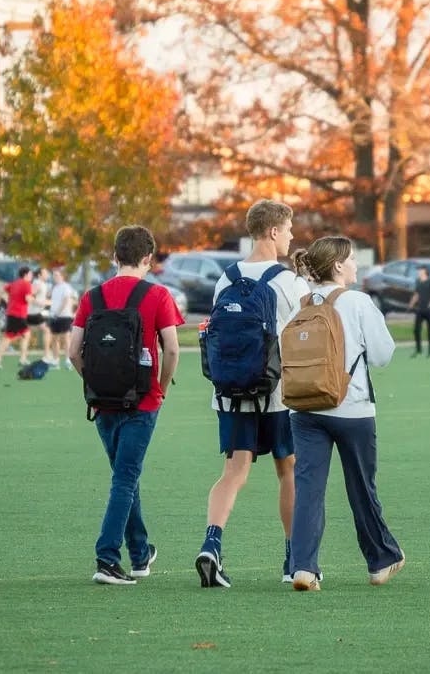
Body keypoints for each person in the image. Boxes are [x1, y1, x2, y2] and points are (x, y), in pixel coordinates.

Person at [195, 199, 311, 588]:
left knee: (233, 471)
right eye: (289, 230)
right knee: (288, 469)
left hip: (230, 391)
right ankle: (294, 557)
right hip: (276, 391)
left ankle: (212, 544)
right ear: (274, 231)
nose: (292, 237)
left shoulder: (225, 279)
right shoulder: (289, 281)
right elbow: (300, 336)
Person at [287, 237, 404, 591]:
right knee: (361, 487)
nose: (356, 265)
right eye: (352, 259)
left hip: (305, 407)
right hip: (351, 408)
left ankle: (303, 568)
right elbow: (383, 355)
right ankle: (380, 560)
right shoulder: (358, 302)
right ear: (338, 265)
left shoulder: (301, 302)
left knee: (308, 488)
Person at [69, 226, 183, 584]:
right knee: (125, 477)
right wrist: (160, 389)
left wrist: (95, 381)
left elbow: (73, 351)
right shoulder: (158, 295)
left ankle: (140, 553)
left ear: (115, 256)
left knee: (124, 475)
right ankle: (106, 557)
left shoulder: (92, 297)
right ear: (148, 258)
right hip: (142, 402)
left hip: (103, 403)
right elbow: (173, 349)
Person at [0, 266, 33, 369]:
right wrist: (35, 300)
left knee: (25, 334)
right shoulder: (27, 284)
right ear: (26, 274)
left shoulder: (14, 283)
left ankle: (22, 359)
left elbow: (1, 290)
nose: (32, 276)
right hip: (18, 315)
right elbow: (27, 299)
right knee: (9, 337)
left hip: (12, 314)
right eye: (31, 274)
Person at [46, 267, 78, 369]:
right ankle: (56, 361)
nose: (54, 277)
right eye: (54, 275)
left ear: (62, 276)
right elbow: (49, 298)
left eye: (56, 275)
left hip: (65, 316)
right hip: (54, 316)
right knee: (54, 339)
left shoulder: (66, 287)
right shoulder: (55, 288)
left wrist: (58, 312)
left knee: (66, 338)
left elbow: (66, 300)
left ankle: (68, 361)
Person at [408, 266, 430, 359]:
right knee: (416, 330)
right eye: (418, 270)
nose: (419, 272)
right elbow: (417, 294)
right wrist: (411, 304)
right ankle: (419, 350)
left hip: (429, 311)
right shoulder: (418, 281)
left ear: (425, 271)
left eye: (420, 270)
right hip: (420, 310)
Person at [27, 266, 52, 364]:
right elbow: (30, 297)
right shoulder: (37, 283)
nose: (47, 275)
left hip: (35, 312)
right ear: (39, 275)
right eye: (45, 273)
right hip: (33, 312)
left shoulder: (43, 284)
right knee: (47, 330)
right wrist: (40, 303)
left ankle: (24, 355)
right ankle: (46, 354)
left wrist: (48, 301)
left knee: (26, 333)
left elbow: (41, 297)